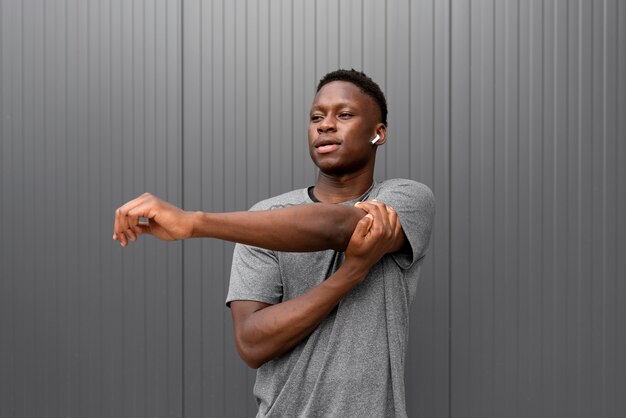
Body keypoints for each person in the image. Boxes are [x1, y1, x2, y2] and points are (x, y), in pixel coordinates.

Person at [113, 69, 435, 417]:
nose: (325, 125)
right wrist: (350, 274)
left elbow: (338, 224)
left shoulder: (405, 198)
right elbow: (252, 343)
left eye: (344, 114)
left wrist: (195, 223)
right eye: (316, 117)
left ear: (379, 132)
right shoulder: (263, 218)